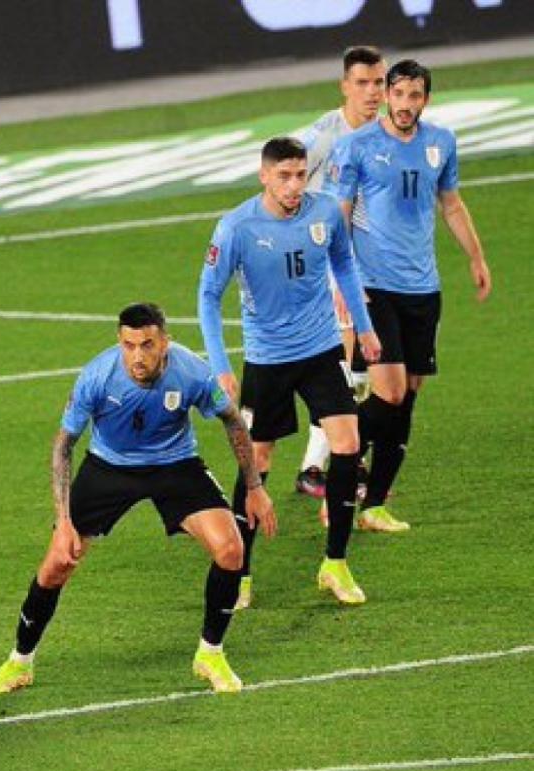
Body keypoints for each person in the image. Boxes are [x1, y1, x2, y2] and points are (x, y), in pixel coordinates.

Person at [0, 304, 273, 697]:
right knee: (55, 565)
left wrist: (254, 488)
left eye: (147, 345)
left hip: (175, 464)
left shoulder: (191, 371)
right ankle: (19, 661)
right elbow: (63, 446)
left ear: (164, 342)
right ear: (120, 343)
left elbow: (233, 419)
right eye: (129, 345)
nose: (138, 355)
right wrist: (64, 520)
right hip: (109, 468)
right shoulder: (97, 376)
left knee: (231, 549)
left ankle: (210, 653)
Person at [198, 137, 382, 607]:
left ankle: (335, 563)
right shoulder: (236, 227)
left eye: (300, 174)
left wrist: (363, 328)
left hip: (320, 350)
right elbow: (208, 298)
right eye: (284, 175)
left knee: (347, 446)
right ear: (264, 176)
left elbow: (342, 262)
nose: (294, 185)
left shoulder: (323, 214)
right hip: (268, 359)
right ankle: (239, 572)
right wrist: (220, 367)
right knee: (255, 463)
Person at [328, 59, 493, 533]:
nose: (404, 105)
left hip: (424, 287)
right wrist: (344, 281)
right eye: (397, 94)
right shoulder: (356, 146)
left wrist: (476, 258)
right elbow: (339, 213)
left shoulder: (441, 143)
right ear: (387, 94)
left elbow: (452, 204)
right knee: (391, 391)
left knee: (409, 397)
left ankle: (374, 505)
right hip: (373, 287)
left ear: (426, 99)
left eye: (414, 96)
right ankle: (341, 459)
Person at [294, 45, 387, 500]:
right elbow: (280, 185)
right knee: (343, 366)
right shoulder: (320, 139)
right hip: (327, 264)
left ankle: (333, 462)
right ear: (345, 86)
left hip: (372, 265)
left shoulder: (389, 135)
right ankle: (324, 465)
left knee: (363, 370)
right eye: (363, 84)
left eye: (379, 83)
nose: (373, 93)